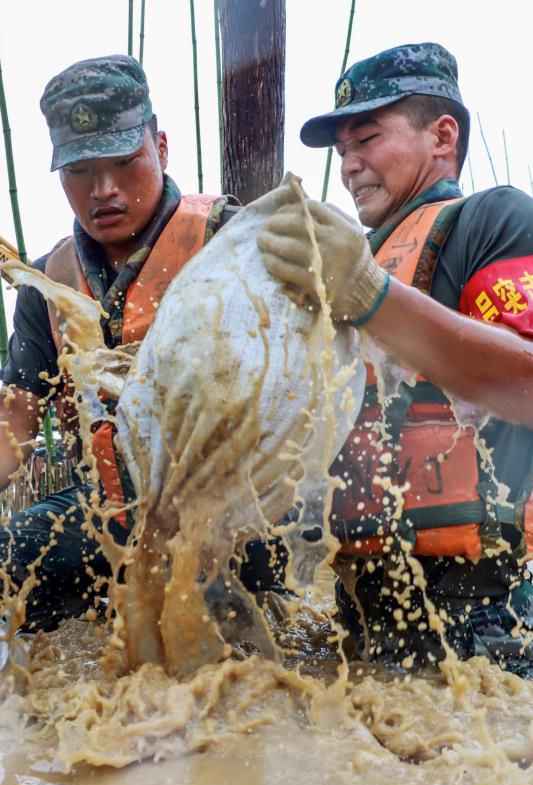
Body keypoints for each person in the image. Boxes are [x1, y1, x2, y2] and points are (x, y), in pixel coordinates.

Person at [258, 42, 533, 676]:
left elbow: (525, 382)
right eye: (342, 150)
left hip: (492, 619)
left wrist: (367, 295)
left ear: (442, 136)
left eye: (369, 139)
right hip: (362, 612)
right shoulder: (341, 265)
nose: (350, 165)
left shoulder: (490, 221)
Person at [0, 54, 249, 631]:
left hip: (235, 518)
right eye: (81, 171)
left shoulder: (233, 240)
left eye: (123, 162)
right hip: (111, 512)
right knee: (13, 563)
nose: (104, 190)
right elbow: (15, 419)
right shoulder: (47, 282)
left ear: (160, 148)